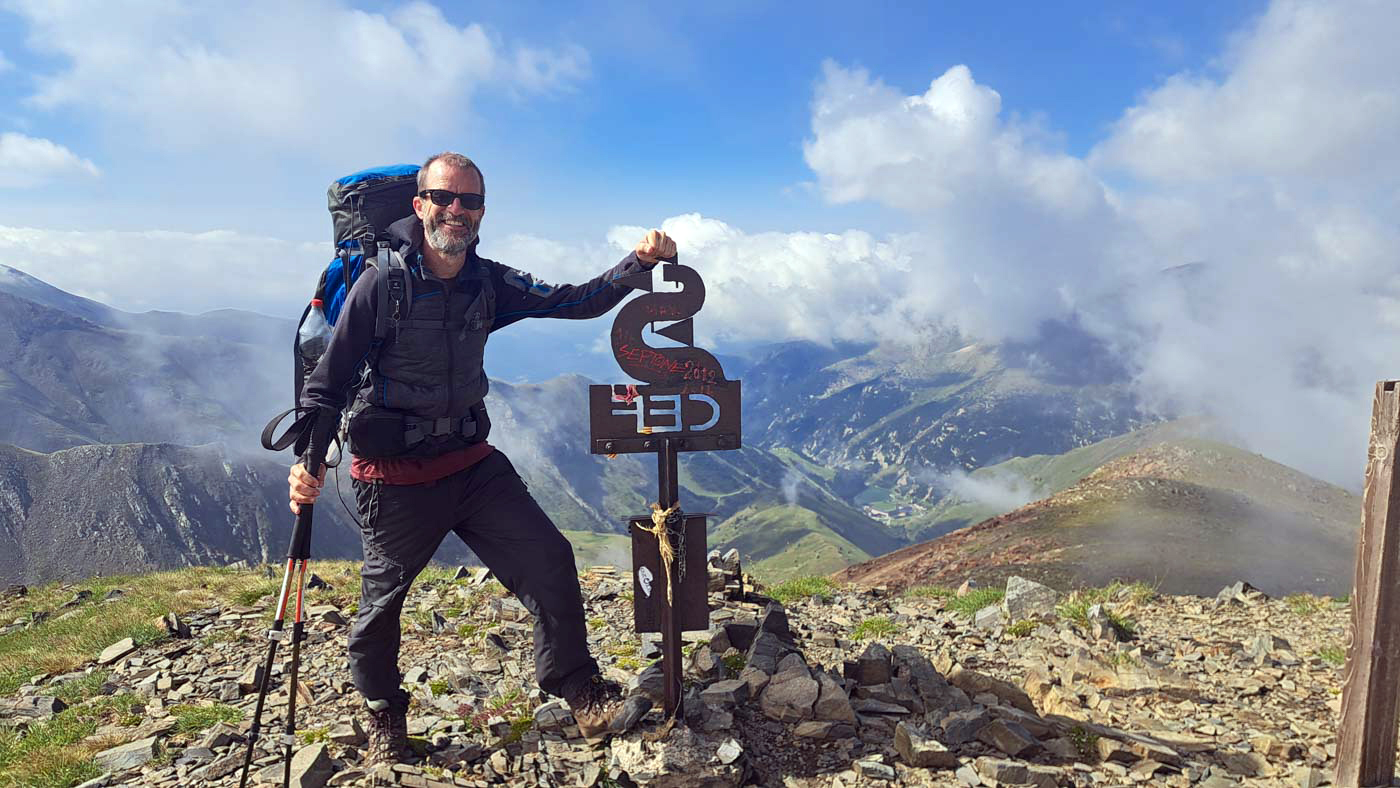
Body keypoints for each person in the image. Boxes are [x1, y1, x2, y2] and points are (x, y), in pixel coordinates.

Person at [287, 151, 675, 764]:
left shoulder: (487, 282)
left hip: (470, 463)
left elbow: (573, 301)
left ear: (482, 211)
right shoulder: (379, 284)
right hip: (394, 477)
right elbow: (327, 383)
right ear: (420, 205)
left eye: (470, 201)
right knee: (381, 606)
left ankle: (579, 689)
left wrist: (640, 263)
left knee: (549, 557)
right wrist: (308, 465)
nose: (457, 211)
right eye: (445, 197)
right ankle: (384, 712)